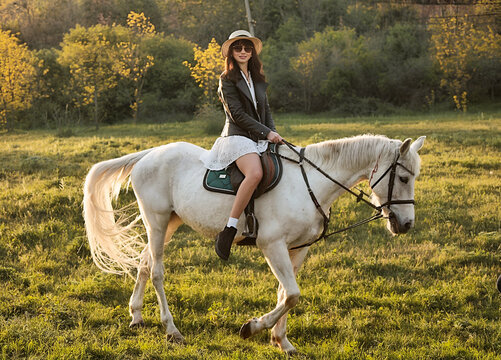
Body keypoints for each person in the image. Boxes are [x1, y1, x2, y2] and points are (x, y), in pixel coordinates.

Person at [200, 30, 283, 261]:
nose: (244, 52)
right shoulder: (226, 79)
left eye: (247, 48)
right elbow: (236, 114)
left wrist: (274, 133)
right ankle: (229, 228)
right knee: (255, 173)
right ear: (231, 53)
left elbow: (266, 111)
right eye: (238, 48)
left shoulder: (257, 79)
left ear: (252, 51)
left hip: (258, 136)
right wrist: (266, 132)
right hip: (237, 136)